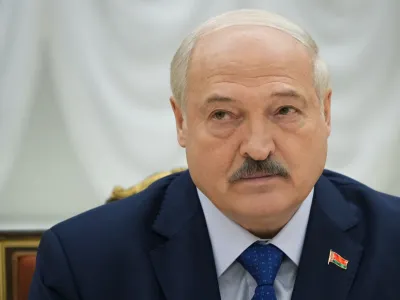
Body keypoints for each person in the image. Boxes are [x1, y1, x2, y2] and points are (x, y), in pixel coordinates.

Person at [29, 9, 400, 300]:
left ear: (325, 113)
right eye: (223, 115)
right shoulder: (84, 262)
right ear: (181, 123)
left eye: (285, 110)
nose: (257, 147)